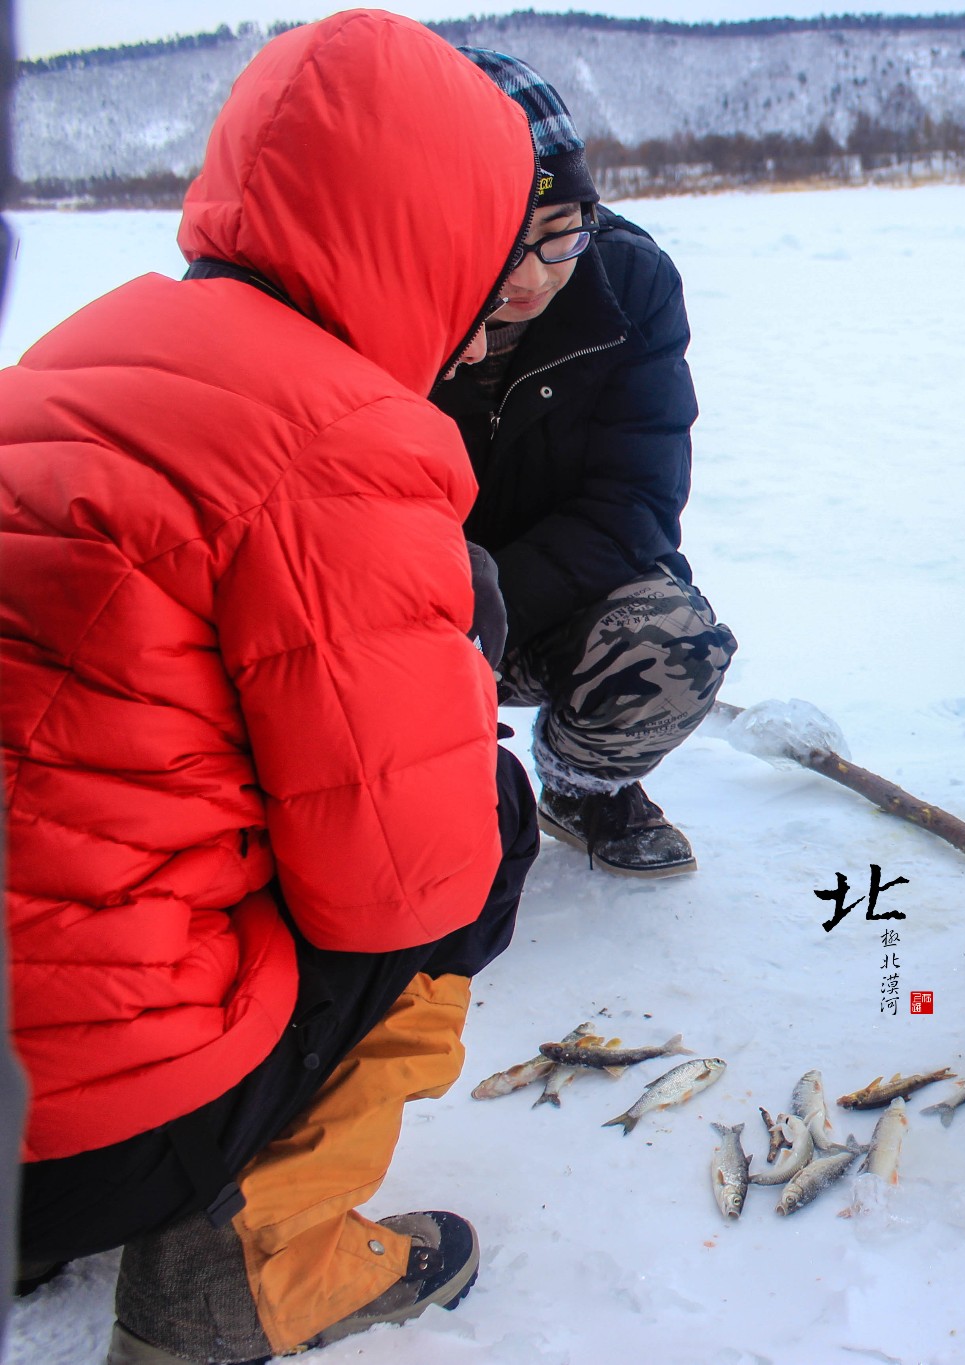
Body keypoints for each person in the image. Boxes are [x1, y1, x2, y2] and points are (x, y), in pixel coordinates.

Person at [1, 14, 541, 1360]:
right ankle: (246, 1261)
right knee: (486, 821)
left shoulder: (80, 351)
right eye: (481, 282)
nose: (475, 346)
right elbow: (400, 890)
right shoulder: (347, 441)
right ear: (425, 244)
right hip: (75, 1126)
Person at [432, 49, 737, 880]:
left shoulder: (629, 284)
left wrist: (483, 609)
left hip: (535, 608)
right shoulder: (379, 298)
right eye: (504, 239)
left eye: (559, 231)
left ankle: (581, 786)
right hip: (390, 617)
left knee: (673, 641)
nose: (533, 275)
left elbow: (634, 502)